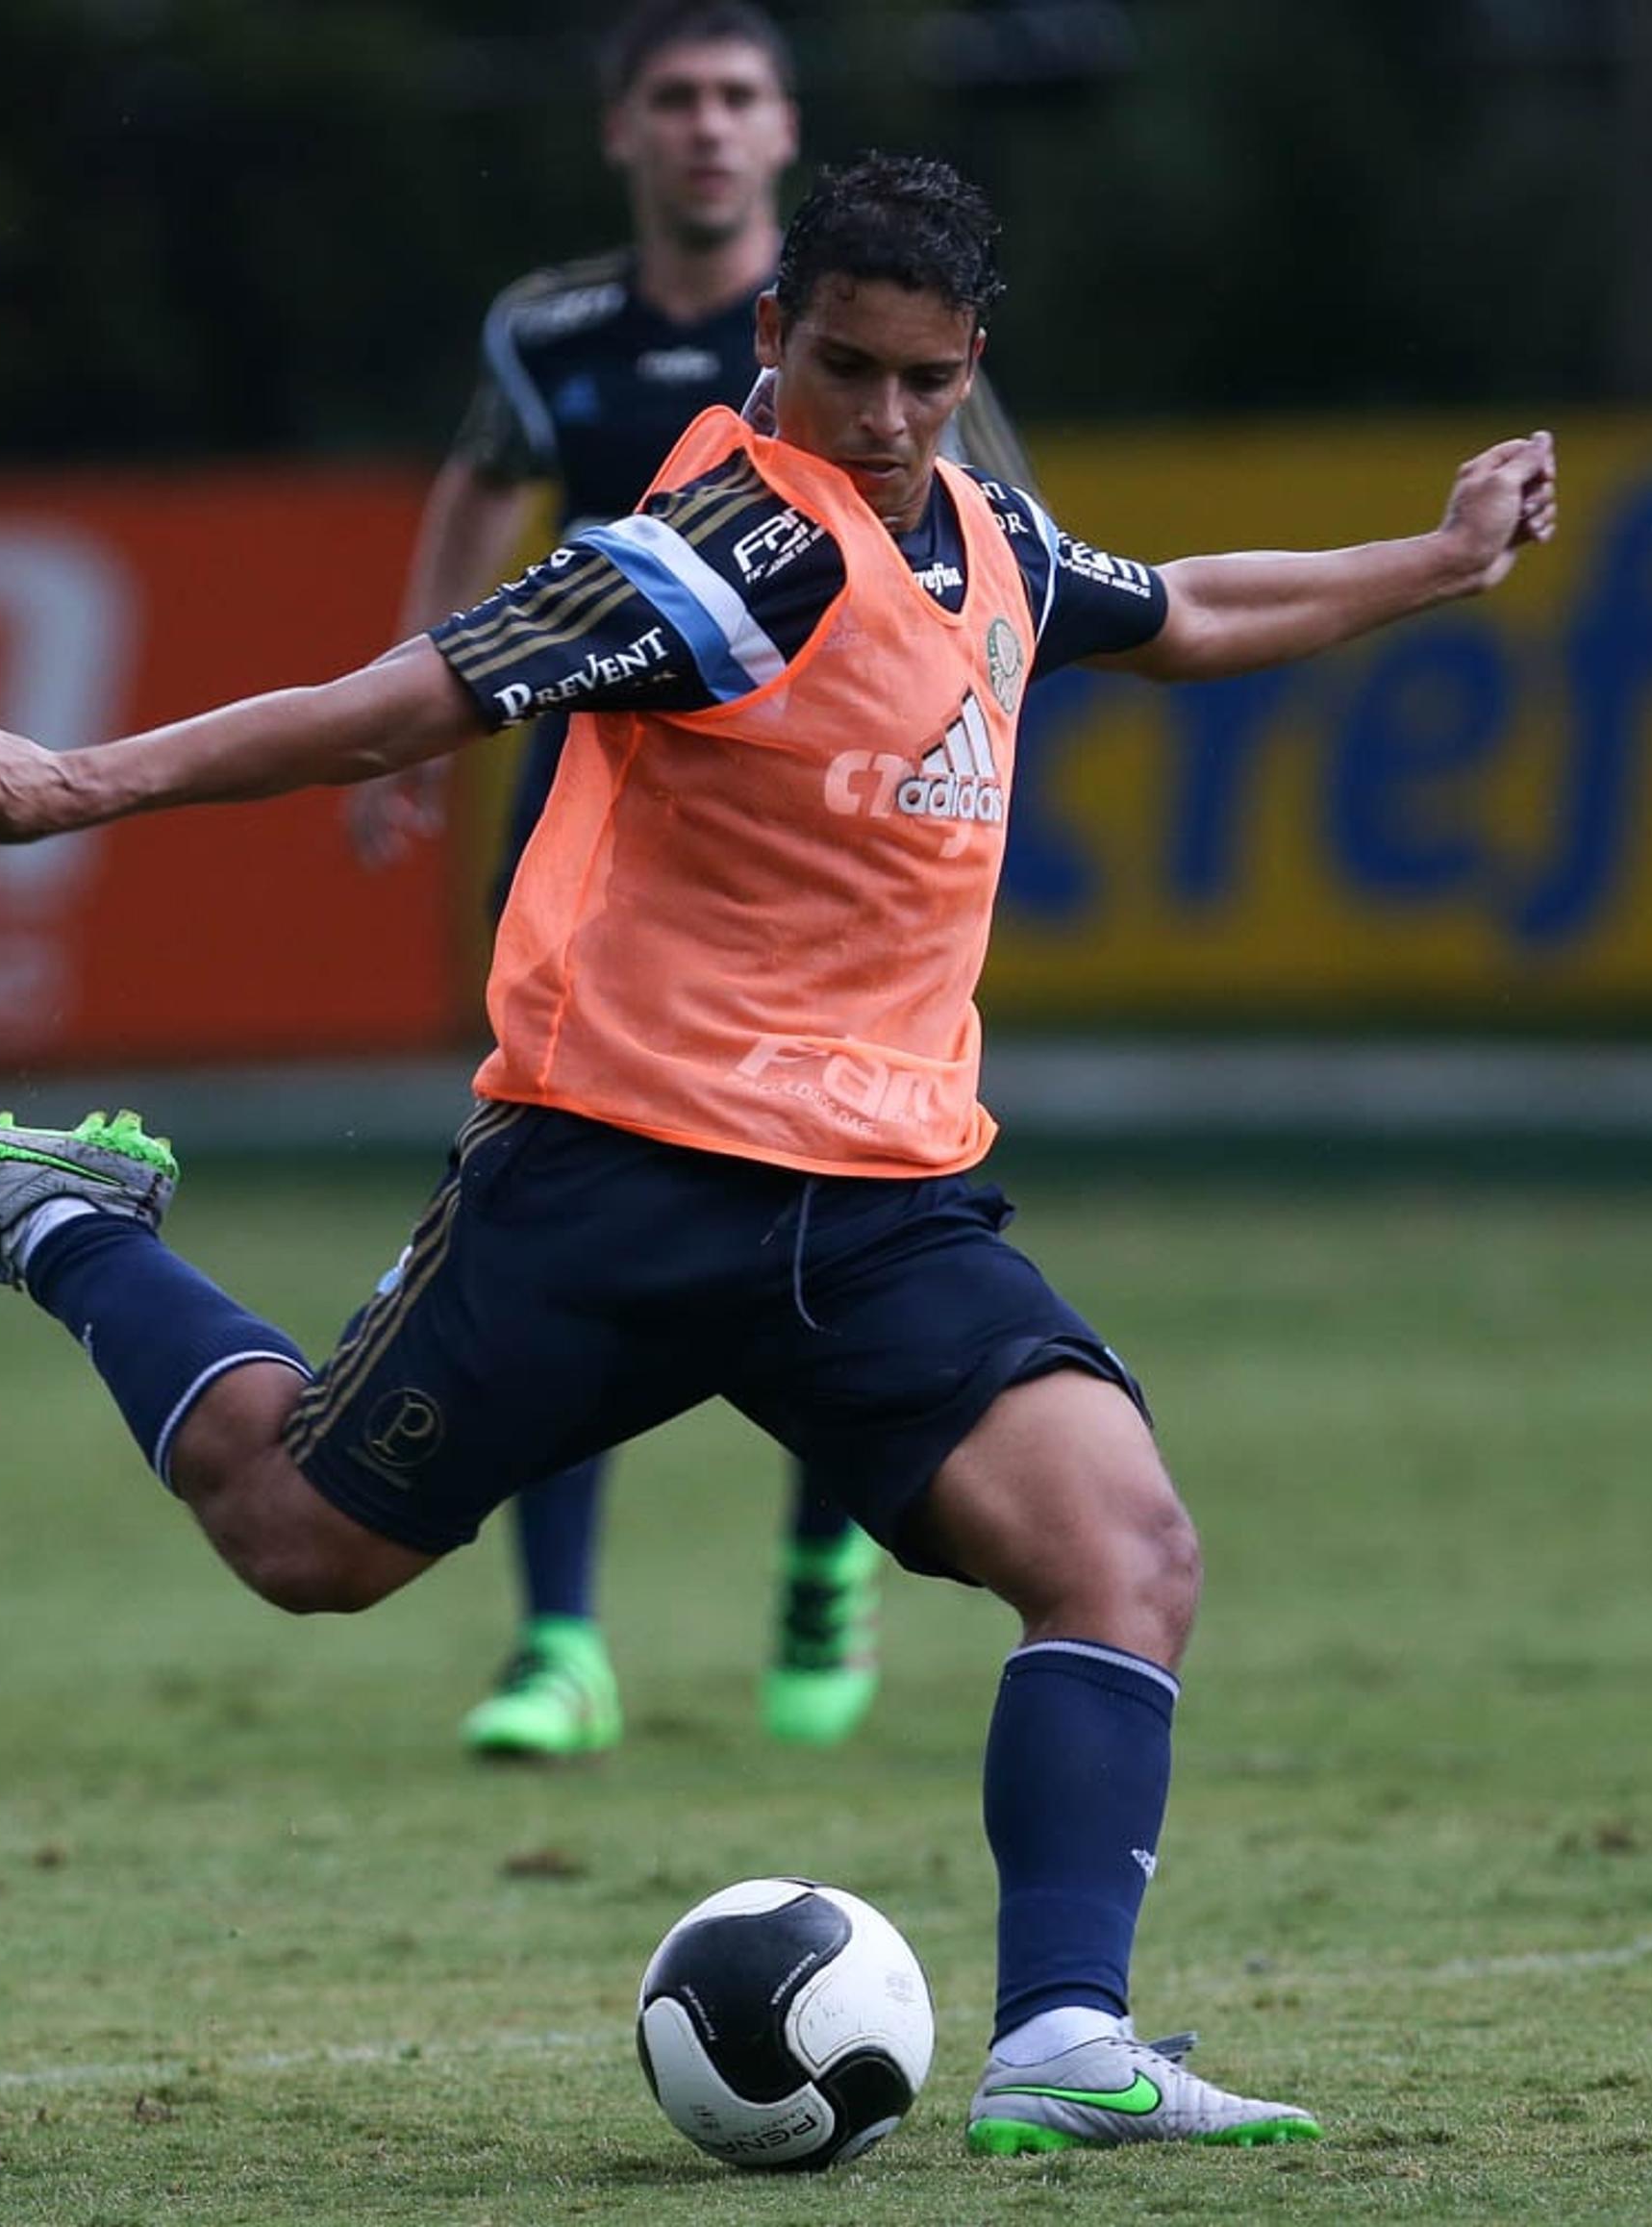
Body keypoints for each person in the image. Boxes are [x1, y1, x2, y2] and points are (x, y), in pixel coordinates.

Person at [0, 151, 1556, 2156]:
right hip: (614, 1179)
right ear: (773, 338)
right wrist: (85, 776)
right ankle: (74, 1217)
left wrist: (1438, 563)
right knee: (297, 1542)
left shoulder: (989, 541)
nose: (877, 416)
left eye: (922, 380)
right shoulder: (721, 550)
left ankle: (1063, 2044)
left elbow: (1189, 608)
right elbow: (393, 707)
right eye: (841, 367)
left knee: (1124, 1553)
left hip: (878, 1212)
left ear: (970, 366)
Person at [359, 0, 1035, 1763]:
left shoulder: (885, 354)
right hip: (606, 808)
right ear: (623, 130)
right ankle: (561, 1641)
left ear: (783, 127)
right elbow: (474, 507)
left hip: (835, 841)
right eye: (675, 96)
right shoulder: (555, 331)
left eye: (739, 95)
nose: (707, 126)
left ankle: (824, 1562)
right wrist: (418, 722)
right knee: (565, 1213)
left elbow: (999, 566)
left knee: (840, 1204)